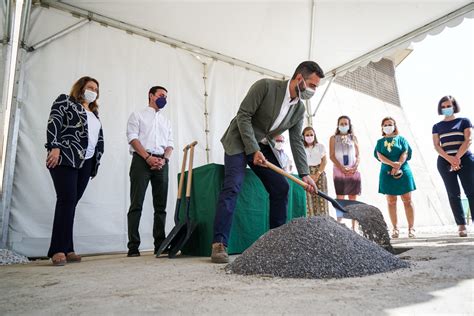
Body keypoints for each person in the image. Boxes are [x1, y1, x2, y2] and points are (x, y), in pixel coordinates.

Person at [211, 61, 324, 263]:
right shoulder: (266, 86)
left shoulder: (299, 109)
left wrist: (305, 174)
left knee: (281, 187)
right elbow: (243, 116)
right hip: (239, 139)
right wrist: (252, 149)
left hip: (263, 145)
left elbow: (296, 140)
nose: (314, 91)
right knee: (233, 186)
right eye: (312, 85)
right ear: (299, 79)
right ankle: (219, 243)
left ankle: (276, 243)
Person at [45, 76, 104, 266]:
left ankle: (68, 248)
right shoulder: (65, 101)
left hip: (86, 163)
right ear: (80, 88)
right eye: (89, 87)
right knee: (66, 200)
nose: (93, 91)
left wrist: (95, 163)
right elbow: (54, 122)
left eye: (96, 89)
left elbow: (97, 139)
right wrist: (54, 146)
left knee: (71, 203)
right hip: (66, 157)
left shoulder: (94, 114)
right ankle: (58, 250)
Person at [126, 86, 174, 257]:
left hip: (162, 162)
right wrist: (147, 157)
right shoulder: (137, 115)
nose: (164, 99)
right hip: (141, 160)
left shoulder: (166, 121)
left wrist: (164, 159)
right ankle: (133, 246)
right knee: (136, 203)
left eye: (166, 97)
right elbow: (132, 138)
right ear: (151, 96)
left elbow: (170, 144)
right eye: (161, 95)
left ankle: (160, 244)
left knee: (160, 206)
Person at [432, 96, 473, 237]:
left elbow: (468, 140)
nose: (446, 109)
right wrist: (450, 159)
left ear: (454, 106)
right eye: (443, 106)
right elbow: (437, 146)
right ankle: (461, 225)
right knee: (453, 193)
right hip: (444, 161)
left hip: (466, 160)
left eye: (448, 105)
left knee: (471, 191)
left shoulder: (464, 121)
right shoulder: (437, 126)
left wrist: (457, 158)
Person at [374, 117, 416, 239]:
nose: (388, 126)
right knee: (391, 201)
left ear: (395, 126)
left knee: (407, 199)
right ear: (382, 127)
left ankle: (411, 228)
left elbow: (405, 152)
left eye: (390, 124)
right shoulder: (379, 142)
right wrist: (393, 165)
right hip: (387, 172)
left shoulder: (401, 139)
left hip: (403, 170)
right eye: (385, 125)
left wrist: (398, 165)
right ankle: (395, 228)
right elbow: (379, 156)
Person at [329, 115, 361, 229]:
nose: (343, 126)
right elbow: (332, 156)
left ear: (349, 125)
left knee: (352, 197)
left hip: (352, 171)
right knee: (340, 196)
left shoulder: (354, 138)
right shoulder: (333, 138)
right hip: (339, 171)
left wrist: (355, 166)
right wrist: (341, 167)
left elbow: (358, 155)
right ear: (338, 125)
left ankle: (354, 226)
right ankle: (339, 224)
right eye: (341, 124)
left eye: (345, 124)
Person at [302, 126, 328, 216]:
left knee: (321, 197)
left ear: (314, 135)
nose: (309, 137)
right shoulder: (301, 148)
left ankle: (323, 220)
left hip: (319, 172)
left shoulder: (320, 146)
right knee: (308, 197)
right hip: (306, 173)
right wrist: (308, 175)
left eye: (311, 135)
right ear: (303, 136)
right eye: (307, 135)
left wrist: (317, 174)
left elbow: (324, 161)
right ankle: (311, 221)